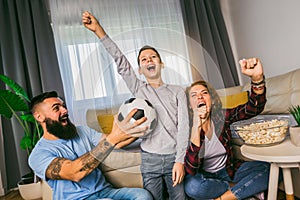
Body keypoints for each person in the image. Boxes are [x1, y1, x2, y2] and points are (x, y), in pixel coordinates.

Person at [82, 11, 189, 200]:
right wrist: (99, 30)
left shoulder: (178, 91)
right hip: (150, 160)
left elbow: (184, 129)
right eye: (144, 59)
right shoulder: (139, 89)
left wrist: (180, 160)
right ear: (140, 69)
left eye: (153, 57)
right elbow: (120, 61)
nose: (149, 60)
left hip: (174, 157)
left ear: (161, 64)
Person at [28, 91, 153, 200]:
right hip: (76, 198)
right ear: (39, 117)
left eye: (64, 106)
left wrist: (137, 129)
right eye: (56, 108)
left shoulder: (82, 131)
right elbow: (74, 173)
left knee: (143, 196)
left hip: (105, 191)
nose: (65, 110)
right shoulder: (38, 155)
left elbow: (116, 143)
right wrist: (112, 138)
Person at [184, 58, 270, 200]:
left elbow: (253, 108)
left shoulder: (221, 116)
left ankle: (223, 197)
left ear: (211, 99)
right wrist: (196, 128)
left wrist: (257, 80)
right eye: (194, 95)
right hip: (204, 177)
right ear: (189, 104)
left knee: (270, 170)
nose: (200, 97)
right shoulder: (185, 127)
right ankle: (242, 188)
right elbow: (191, 169)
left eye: (204, 93)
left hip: (228, 170)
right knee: (193, 187)